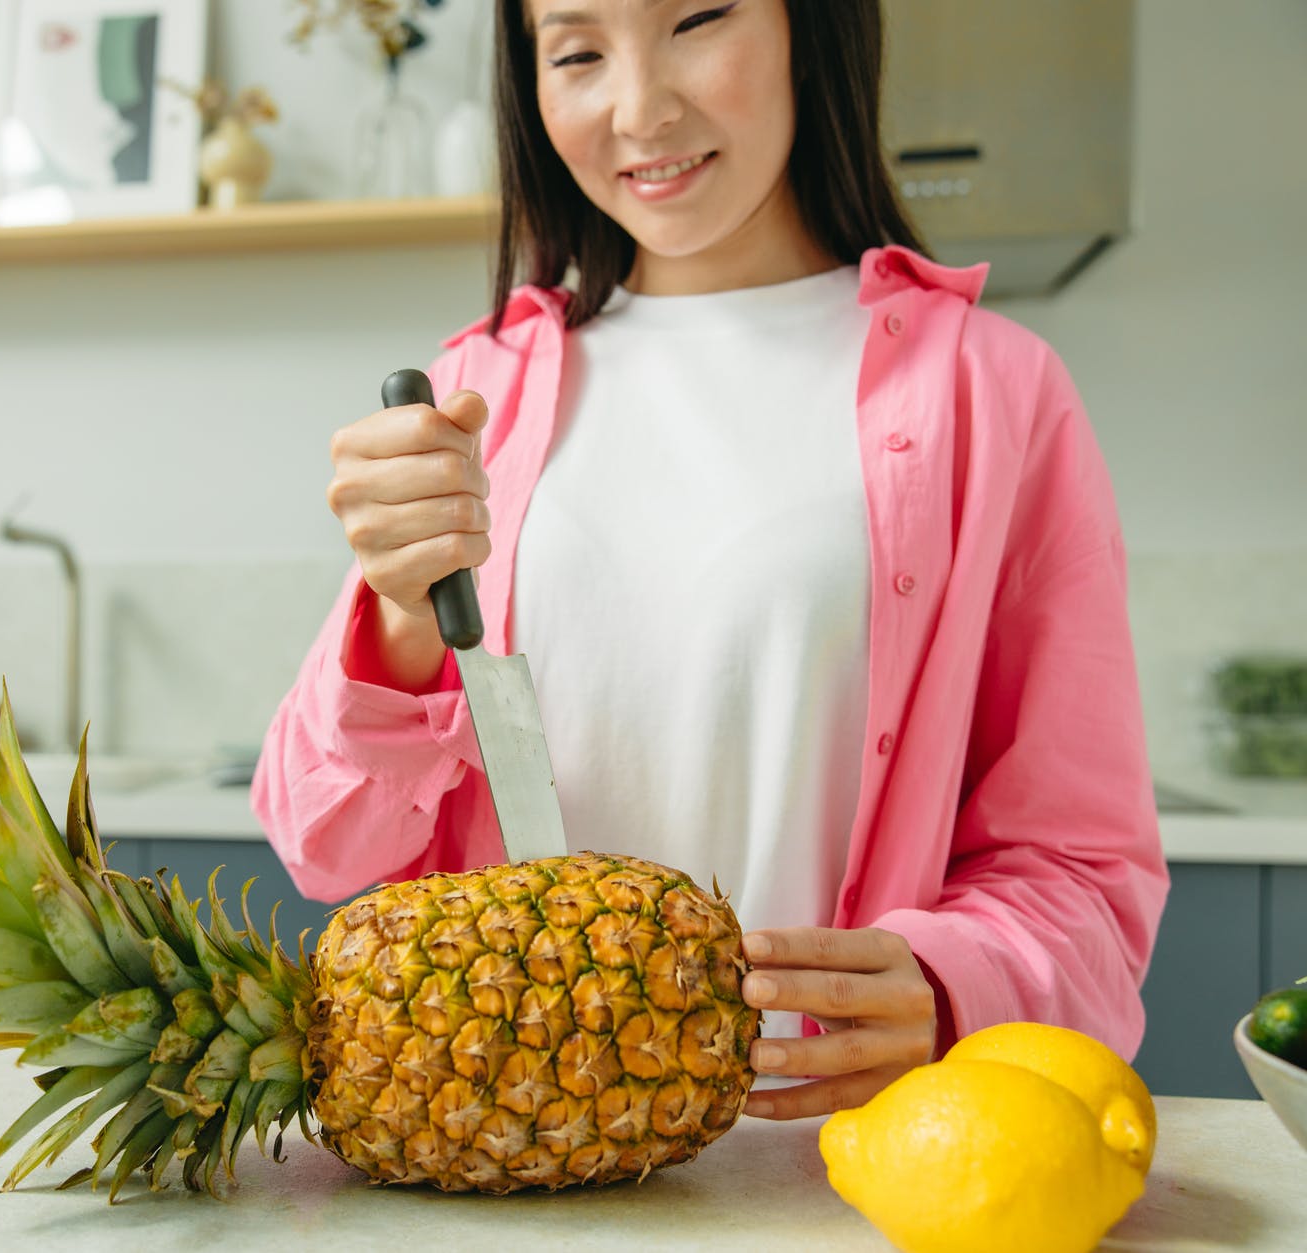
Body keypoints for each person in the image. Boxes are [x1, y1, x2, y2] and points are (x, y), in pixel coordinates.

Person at [251, 0, 1168, 1120]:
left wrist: (950, 984)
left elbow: (1081, 868)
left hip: (846, 1176)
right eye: (577, 52)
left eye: (695, 19)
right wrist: (398, 615)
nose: (640, 107)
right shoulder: (473, 390)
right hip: (520, 1162)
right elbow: (324, 844)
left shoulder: (992, 389)